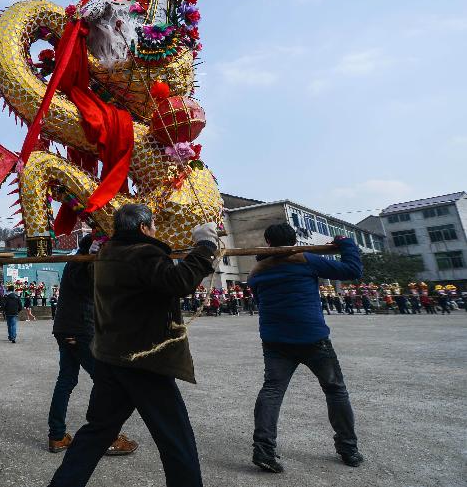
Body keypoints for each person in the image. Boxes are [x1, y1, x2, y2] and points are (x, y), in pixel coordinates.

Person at [47, 204, 219, 487]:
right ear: (142, 228)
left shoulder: (105, 255)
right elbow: (180, 281)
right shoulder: (143, 253)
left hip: (110, 360)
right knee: (177, 439)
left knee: (96, 434)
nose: (154, 231)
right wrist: (205, 245)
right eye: (152, 226)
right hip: (144, 362)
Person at [248, 223, 364, 473]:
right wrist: (345, 242)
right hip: (312, 338)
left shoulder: (256, 272)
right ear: (294, 240)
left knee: (272, 390)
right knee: (335, 390)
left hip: (275, 340)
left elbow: (260, 301)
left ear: (267, 242)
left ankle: (263, 450)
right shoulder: (306, 260)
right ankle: (348, 449)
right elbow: (353, 269)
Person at [46, 234, 138, 456]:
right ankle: (106, 437)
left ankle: (57, 436)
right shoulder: (82, 263)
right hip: (78, 330)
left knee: (66, 380)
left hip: (68, 328)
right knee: (107, 381)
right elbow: (87, 282)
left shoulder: (80, 262)